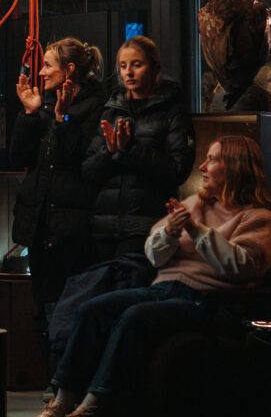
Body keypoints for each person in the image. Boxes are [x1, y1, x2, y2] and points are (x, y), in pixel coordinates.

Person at [20, 136, 271, 417]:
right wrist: (170, 232)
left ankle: (90, 411)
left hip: (210, 301)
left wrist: (196, 231)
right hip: (165, 288)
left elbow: (242, 266)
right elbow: (153, 255)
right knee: (92, 309)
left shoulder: (259, 220)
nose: (202, 166)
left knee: (136, 317)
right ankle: (61, 402)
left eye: (212, 159)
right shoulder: (195, 204)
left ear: (236, 167)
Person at [8, 37, 108, 347]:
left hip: (73, 227)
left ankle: (68, 370)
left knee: (72, 310)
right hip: (41, 224)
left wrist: (63, 118)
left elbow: (81, 160)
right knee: (44, 309)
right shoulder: (47, 103)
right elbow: (20, 157)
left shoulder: (97, 106)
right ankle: (51, 370)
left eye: (48, 65)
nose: (41, 72)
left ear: (69, 70)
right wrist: (29, 114)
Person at [79, 36, 195, 261]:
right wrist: (110, 152)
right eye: (123, 66)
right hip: (104, 226)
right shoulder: (111, 111)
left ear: (153, 67)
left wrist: (131, 149)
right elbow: (88, 170)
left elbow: (177, 170)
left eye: (137, 64)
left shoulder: (172, 111)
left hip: (147, 227)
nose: (129, 72)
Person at [198, 0, 271, 111]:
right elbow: (260, 52)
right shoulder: (256, 11)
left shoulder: (207, 12)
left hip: (225, 85)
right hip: (244, 85)